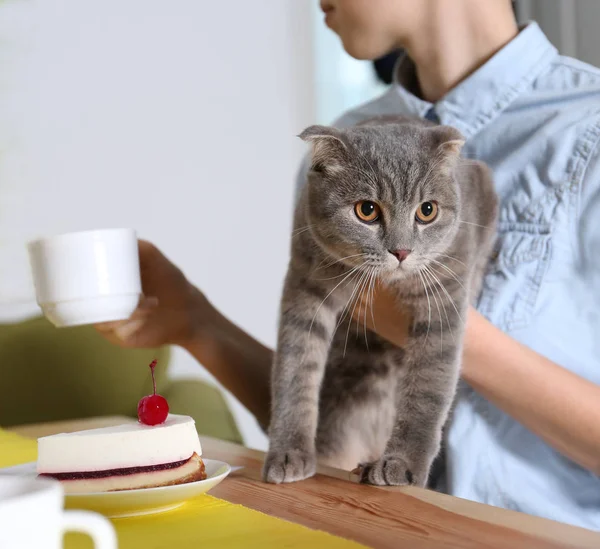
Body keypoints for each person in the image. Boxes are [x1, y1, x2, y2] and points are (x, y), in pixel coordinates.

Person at [97, 0, 600, 530]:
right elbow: (335, 426)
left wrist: (435, 327)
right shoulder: (345, 146)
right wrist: (196, 323)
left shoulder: (586, 132)